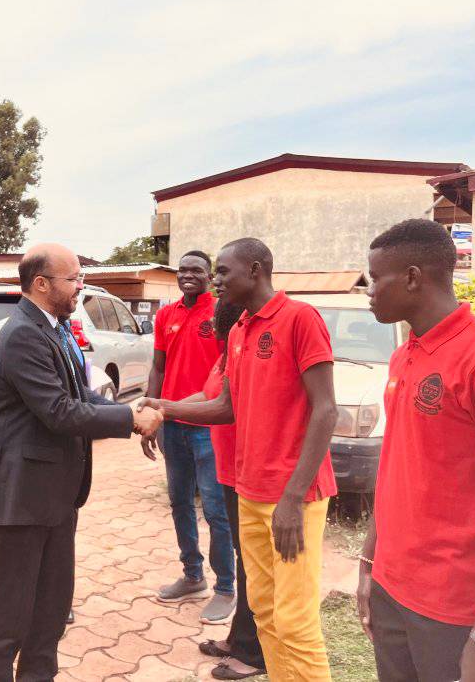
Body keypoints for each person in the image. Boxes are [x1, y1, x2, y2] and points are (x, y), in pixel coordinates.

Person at [357, 219, 475, 682]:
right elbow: (398, 466)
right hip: (392, 586)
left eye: (375, 277)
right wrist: (369, 563)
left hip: (452, 607)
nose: (368, 289)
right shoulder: (406, 354)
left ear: (413, 277)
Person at [141, 237, 337, 681]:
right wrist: (162, 406)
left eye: (223, 272)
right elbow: (225, 407)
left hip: (292, 498)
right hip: (249, 492)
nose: (216, 280)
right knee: (265, 611)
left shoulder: (300, 319)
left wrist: (292, 497)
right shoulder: (240, 329)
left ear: (255, 270)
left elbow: (326, 409)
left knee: (295, 620)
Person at [0, 242, 163, 682]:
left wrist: (126, 409)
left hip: (55, 499)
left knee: (49, 616)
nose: (81, 285)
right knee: (5, 625)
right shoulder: (21, 333)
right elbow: (59, 411)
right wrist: (130, 418)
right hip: (19, 502)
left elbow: (79, 398)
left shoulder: (54, 327)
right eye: (73, 278)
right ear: (41, 284)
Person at [148, 297, 266, 679]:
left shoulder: (240, 348)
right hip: (233, 467)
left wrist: (166, 410)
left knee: (250, 563)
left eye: (216, 319)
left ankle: (253, 652)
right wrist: (164, 405)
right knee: (247, 559)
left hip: (244, 469)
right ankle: (240, 639)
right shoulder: (227, 354)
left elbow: (221, 406)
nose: (210, 321)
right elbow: (205, 393)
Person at [146, 250, 235, 623]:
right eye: (182, 270)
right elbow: (157, 366)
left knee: (216, 511)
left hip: (208, 428)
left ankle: (226, 588)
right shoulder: (166, 315)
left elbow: (227, 374)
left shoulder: (221, 313)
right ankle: (192, 575)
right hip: (171, 425)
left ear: (209, 274)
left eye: (196, 270)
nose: (188, 275)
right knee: (180, 503)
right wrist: (152, 416)